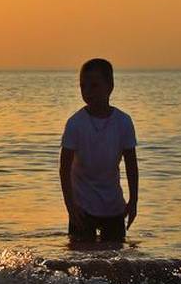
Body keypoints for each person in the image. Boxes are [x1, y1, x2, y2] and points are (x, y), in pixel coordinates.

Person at [59, 58, 139, 244]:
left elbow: (131, 165)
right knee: (80, 260)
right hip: (82, 206)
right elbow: (64, 168)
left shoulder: (123, 122)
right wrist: (70, 206)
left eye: (94, 86)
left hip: (113, 206)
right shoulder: (75, 123)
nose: (88, 92)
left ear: (109, 86)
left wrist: (133, 201)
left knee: (115, 258)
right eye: (83, 86)